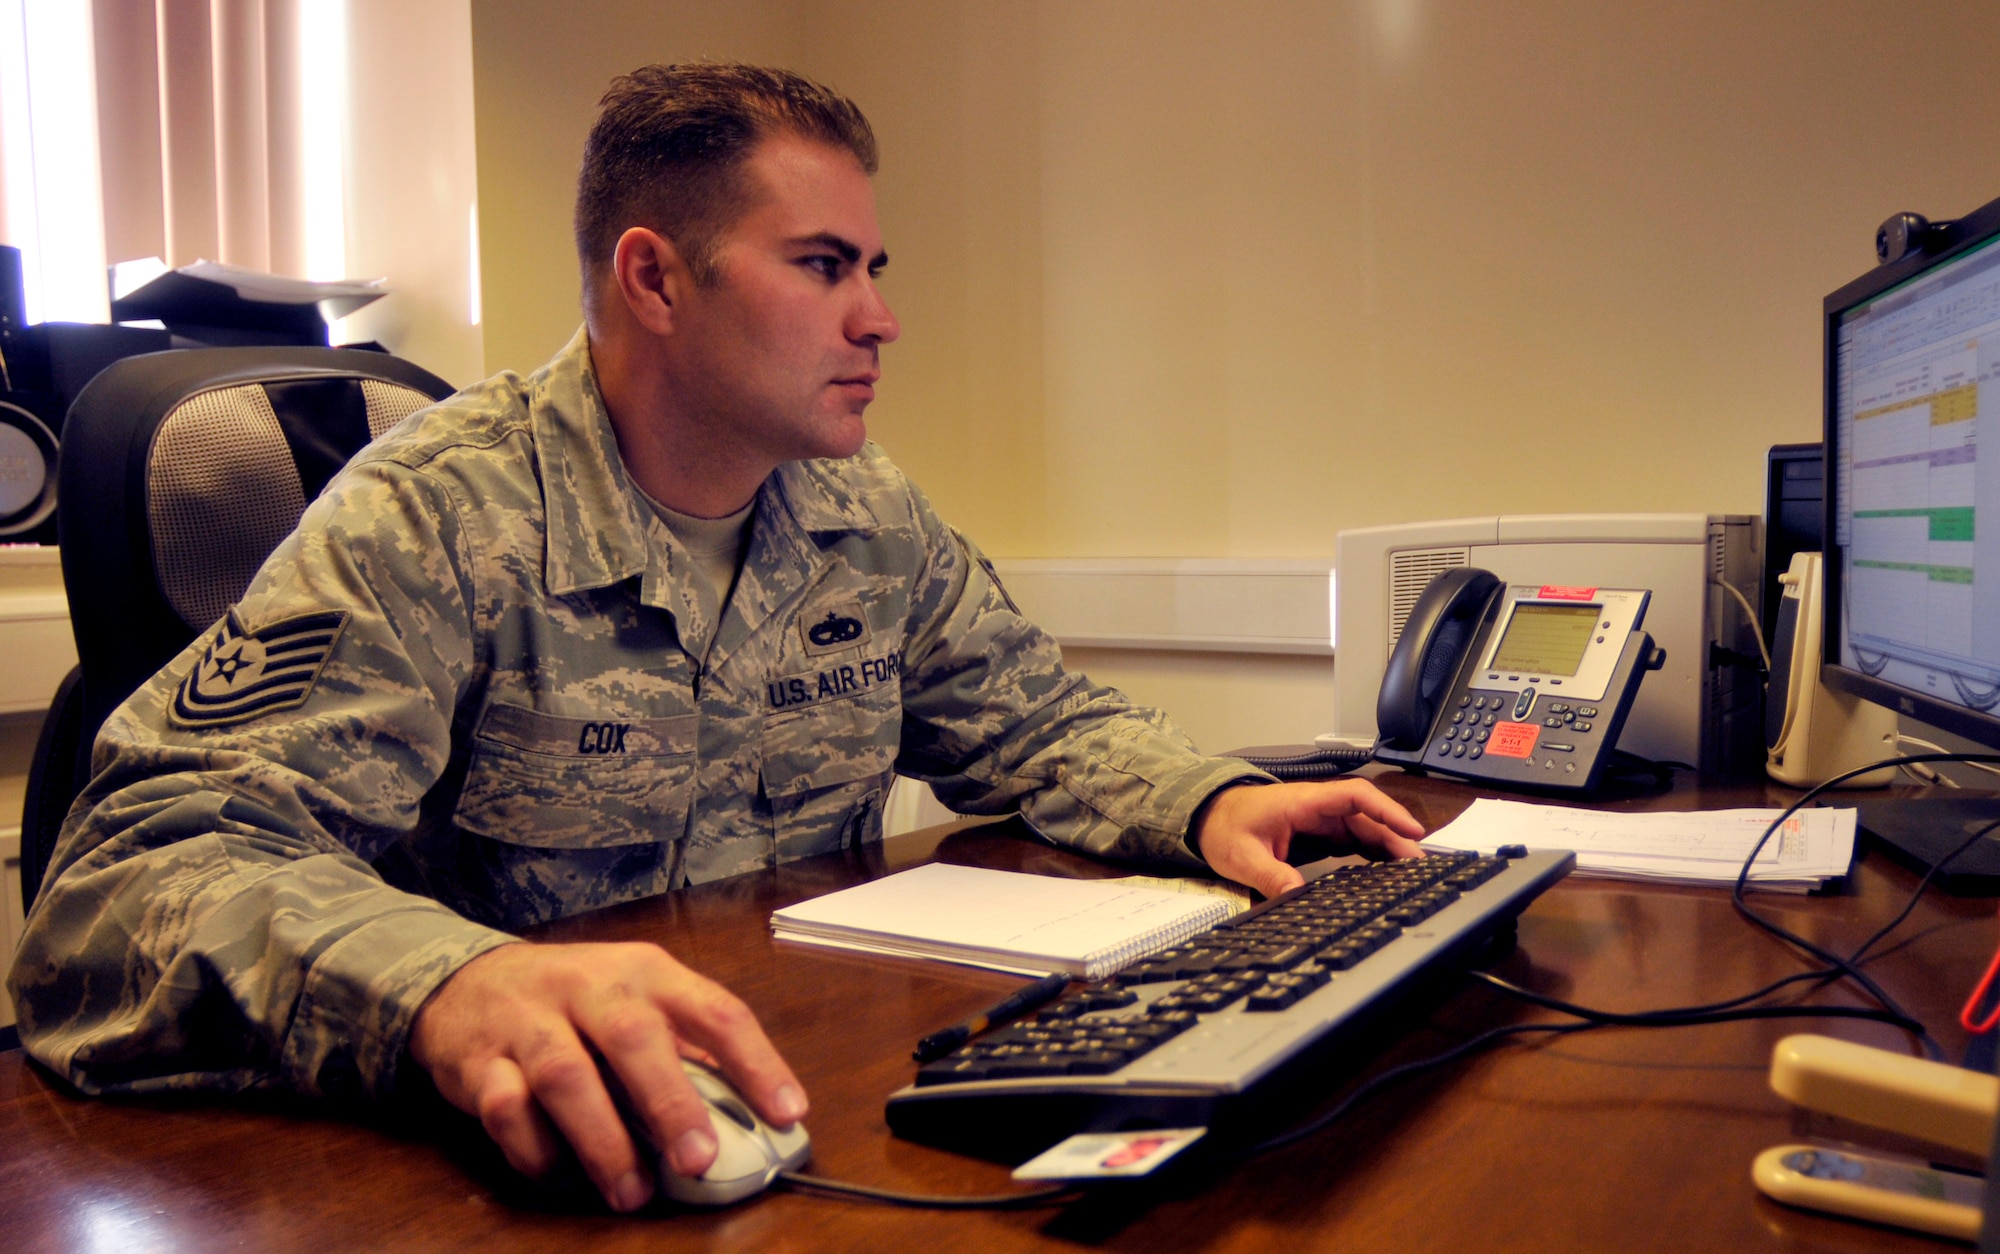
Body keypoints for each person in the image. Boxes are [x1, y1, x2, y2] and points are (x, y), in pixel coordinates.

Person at [7, 63, 1425, 1213]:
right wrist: (449, 979)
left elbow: (1037, 721)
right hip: (482, 1172)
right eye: (821, 265)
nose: (880, 316)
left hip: (792, 1099)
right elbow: (132, 876)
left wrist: (1212, 796)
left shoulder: (861, 510)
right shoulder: (437, 518)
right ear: (656, 279)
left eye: (872, 263)